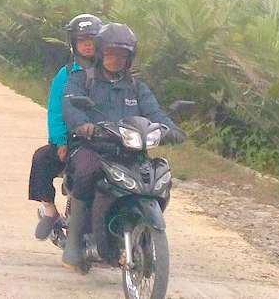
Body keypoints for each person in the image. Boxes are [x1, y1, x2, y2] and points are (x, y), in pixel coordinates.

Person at [60, 23, 186, 272]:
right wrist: (84, 126)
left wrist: (172, 130)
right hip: (91, 147)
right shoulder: (82, 80)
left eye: (122, 55)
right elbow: (70, 107)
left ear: (130, 58)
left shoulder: (137, 88)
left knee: (155, 178)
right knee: (87, 171)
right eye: (110, 53)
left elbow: (155, 113)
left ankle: (141, 229)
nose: (116, 59)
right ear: (99, 53)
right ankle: (74, 243)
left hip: (130, 151)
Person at [28, 14, 103, 240]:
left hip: (106, 139)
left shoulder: (110, 71)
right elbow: (55, 110)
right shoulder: (67, 73)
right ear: (74, 44)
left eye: (93, 40)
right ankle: (49, 211)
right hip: (73, 139)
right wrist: (60, 141)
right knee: (41, 158)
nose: (88, 45)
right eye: (83, 40)